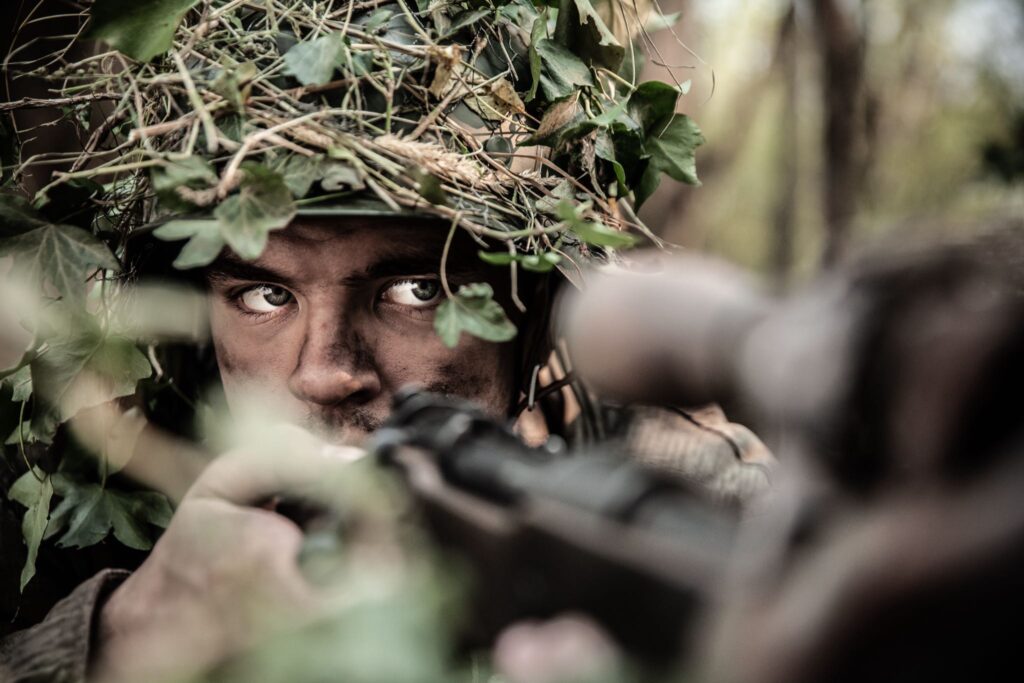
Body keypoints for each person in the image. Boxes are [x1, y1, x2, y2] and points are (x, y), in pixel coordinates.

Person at [0, 2, 771, 681]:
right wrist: (119, 635)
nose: (327, 373)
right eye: (266, 296)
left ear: (531, 314)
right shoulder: (83, 490)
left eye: (416, 291)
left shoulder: (680, 498)